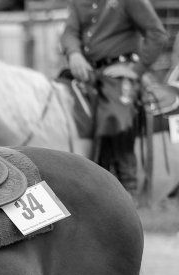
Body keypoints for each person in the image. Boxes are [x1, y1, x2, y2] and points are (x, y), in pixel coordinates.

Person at [60, 0, 169, 193]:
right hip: (88, 72)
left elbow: (157, 34)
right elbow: (70, 32)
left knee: (114, 115)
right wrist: (74, 53)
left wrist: (136, 69)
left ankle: (127, 186)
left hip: (119, 73)